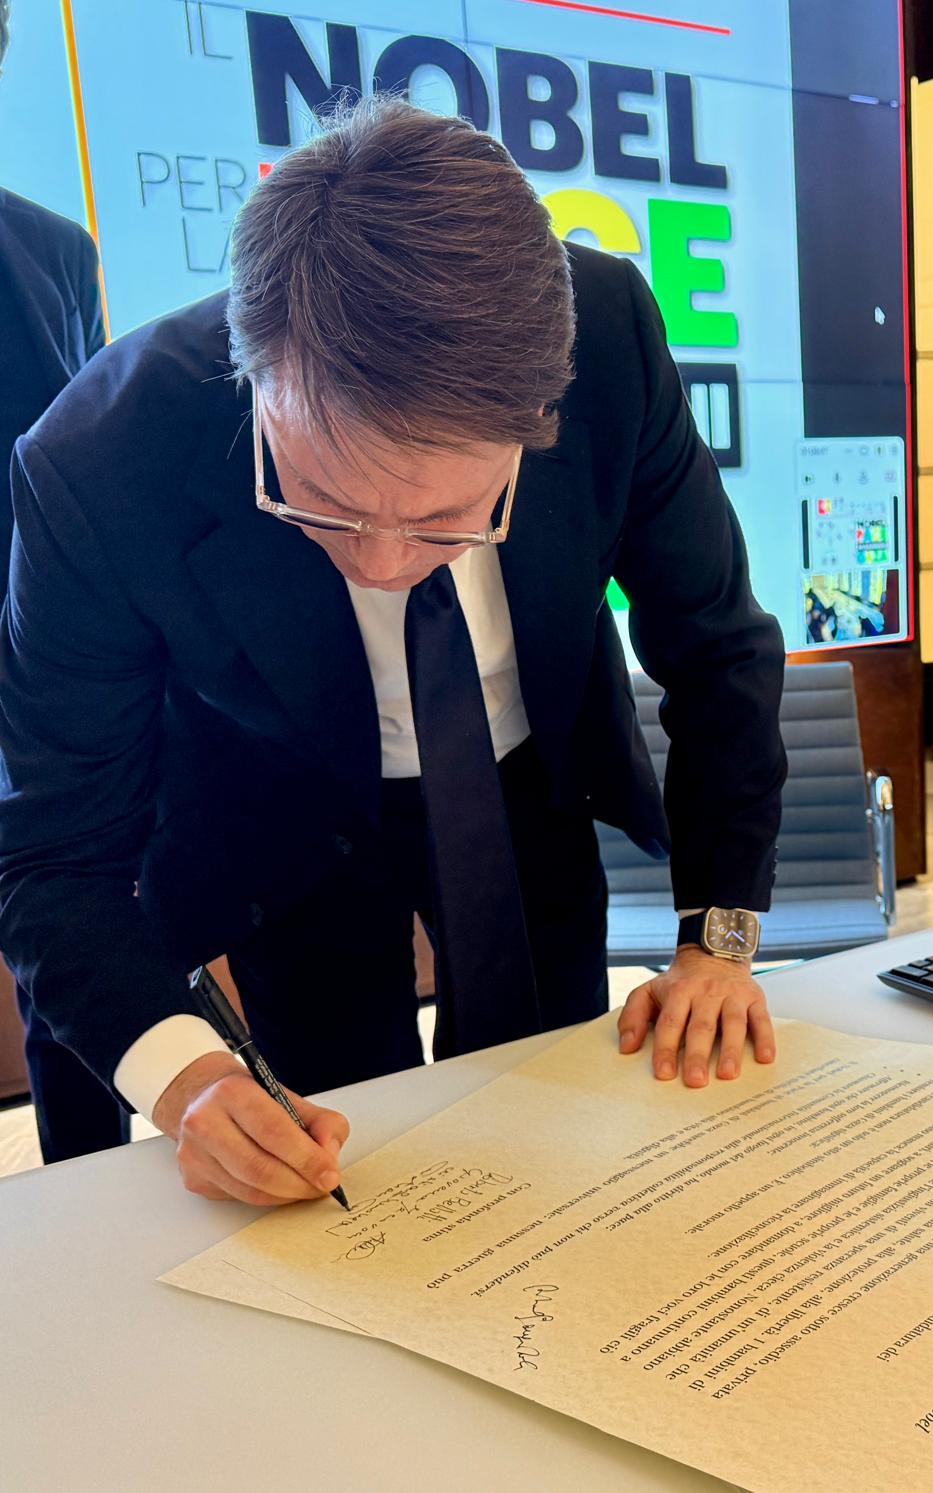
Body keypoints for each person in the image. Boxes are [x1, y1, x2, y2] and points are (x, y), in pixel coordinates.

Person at [0, 97, 787, 1206]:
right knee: (337, 1160)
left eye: (446, 519)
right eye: (316, 498)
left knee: (554, 1118)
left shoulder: (607, 338)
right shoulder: (99, 460)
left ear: (539, 418)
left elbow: (717, 647)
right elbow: (50, 856)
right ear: (255, 379)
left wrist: (718, 934)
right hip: (278, 812)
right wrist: (187, 1082)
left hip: (527, 781)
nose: (379, 565)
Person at [0, 0, 130, 1161]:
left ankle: (87, 1171)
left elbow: (89, 461)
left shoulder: (56, 251)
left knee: (69, 916)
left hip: (51, 650)